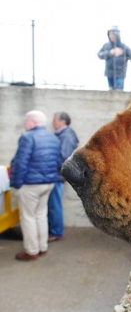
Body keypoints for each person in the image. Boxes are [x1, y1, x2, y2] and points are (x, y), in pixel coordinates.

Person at [10, 111, 61, 261]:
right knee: (41, 215)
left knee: (28, 217)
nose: (24, 124)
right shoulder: (53, 137)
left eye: (26, 121)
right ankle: (42, 246)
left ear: (32, 122)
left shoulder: (27, 137)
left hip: (31, 185)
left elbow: (21, 162)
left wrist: (17, 183)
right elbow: (57, 161)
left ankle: (32, 251)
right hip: (49, 183)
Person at [47, 112, 79, 242]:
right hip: (56, 175)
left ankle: (56, 232)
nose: (52, 122)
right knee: (53, 204)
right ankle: (55, 230)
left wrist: (50, 167)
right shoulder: (64, 134)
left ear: (62, 122)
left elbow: (64, 158)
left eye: (54, 120)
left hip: (56, 176)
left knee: (54, 205)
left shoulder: (66, 136)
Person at [98, 26, 131, 90]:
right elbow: (99, 55)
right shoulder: (106, 46)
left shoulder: (124, 47)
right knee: (111, 90)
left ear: (117, 34)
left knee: (119, 90)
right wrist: (110, 53)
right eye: (109, 34)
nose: (111, 36)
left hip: (120, 73)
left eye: (112, 34)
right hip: (109, 73)